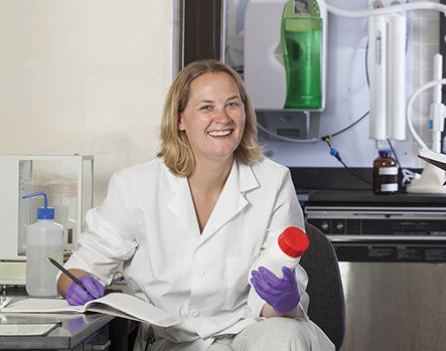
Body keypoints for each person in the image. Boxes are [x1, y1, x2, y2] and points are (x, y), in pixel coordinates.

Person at [57, 60, 334, 351]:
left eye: (232, 104)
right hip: (172, 341)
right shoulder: (135, 186)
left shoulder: (273, 181)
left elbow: (272, 292)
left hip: (251, 333)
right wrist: (77, 284)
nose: (222, 118)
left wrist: (284, 301)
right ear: (180, 120)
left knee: (285, 333)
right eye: (206, 107)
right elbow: (80, 268)